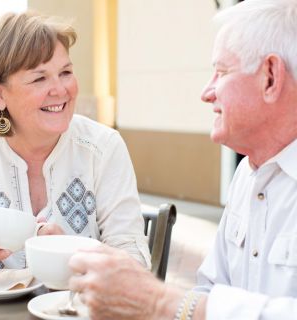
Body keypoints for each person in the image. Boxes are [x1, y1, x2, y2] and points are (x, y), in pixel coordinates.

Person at [67, 0, 297, 319]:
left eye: (221, 72)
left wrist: (160, 302)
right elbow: (210, 288)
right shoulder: (248, 173)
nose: (207, 92)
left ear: (270, 77)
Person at [0, 11, 150, 270]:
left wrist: (72, 257)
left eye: (66, 72)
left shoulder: (102, 148)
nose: (61, 90)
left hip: (76, 309)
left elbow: (134, 261)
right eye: (39, 78)